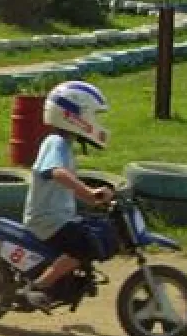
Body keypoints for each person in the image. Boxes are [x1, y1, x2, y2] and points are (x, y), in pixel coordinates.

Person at [18, 81, 115, 309]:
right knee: (85, 246)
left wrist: (94, 195)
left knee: (90, 232)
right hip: (48, 220)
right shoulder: (56, 143)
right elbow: (58, 173)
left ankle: (65, 283)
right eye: (94, 115)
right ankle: (37, 287)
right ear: (75, 115)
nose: (96, 123)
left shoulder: (63, 144)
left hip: (58, 218)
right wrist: (90, 194)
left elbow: (65, 182)